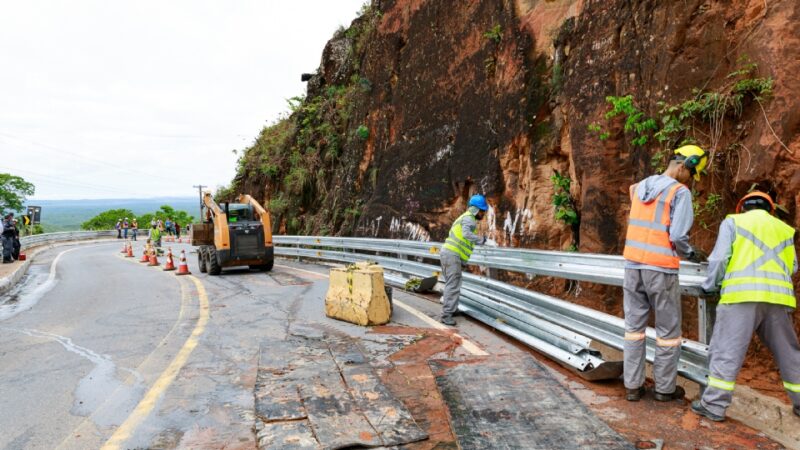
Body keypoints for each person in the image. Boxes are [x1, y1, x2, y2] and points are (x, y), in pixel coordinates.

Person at [691, 191, 800, 422]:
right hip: (778, 300)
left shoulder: (733, 221)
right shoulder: (784, 229)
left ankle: (714, 405)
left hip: (741, 296)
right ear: (770, 209)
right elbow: (792, 267)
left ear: (743, 207)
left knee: (726, 351)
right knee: (789, 353)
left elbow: (719, 259)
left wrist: (711, 286)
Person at [622, 145, 708, 402]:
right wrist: (692, 253)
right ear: (684, 166)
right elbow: (678, 236)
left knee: (634, 329)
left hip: (633, 266)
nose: (691, 181)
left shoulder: (640, 187)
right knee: (668, 332)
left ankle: (632, 387)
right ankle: (664, 389)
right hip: (660, 268)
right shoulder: (679, 192)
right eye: (692, 174)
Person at [439, 194, 489, 326]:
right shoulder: (469, 219)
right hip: (451, 255)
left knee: (455, 283)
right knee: (453, 284)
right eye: (482, 210)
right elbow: (467, 234)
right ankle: (446, 315)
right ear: (476, 209)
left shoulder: (465, 218)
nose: (483, 213)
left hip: (451, 255)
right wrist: (482, 240)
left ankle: (452, 309)